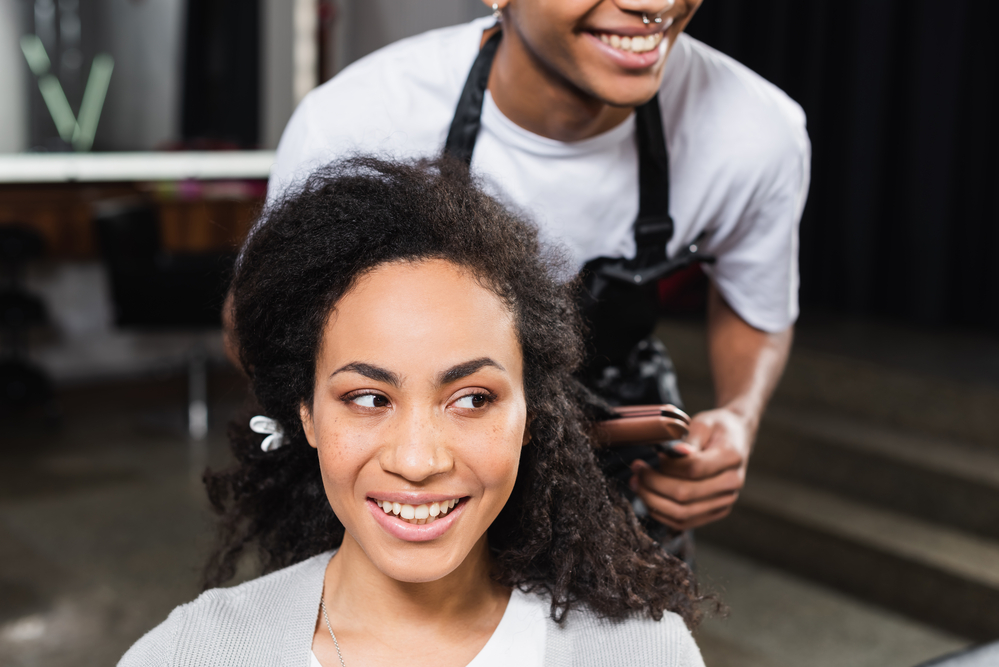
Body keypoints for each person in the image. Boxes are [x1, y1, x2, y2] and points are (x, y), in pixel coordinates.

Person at [261, 0, 811, 549]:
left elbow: (755, 299)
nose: (654, 4)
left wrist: (738, 417)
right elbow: (262, 334)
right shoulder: (356, 124)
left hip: (613, 466)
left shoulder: (753, 134)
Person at [120, 157, 706, 667]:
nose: (418, 460)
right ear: (306, 414)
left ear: (532, 415)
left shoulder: (642, 653)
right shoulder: (190, 655)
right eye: (369, 399)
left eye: (472, 399)